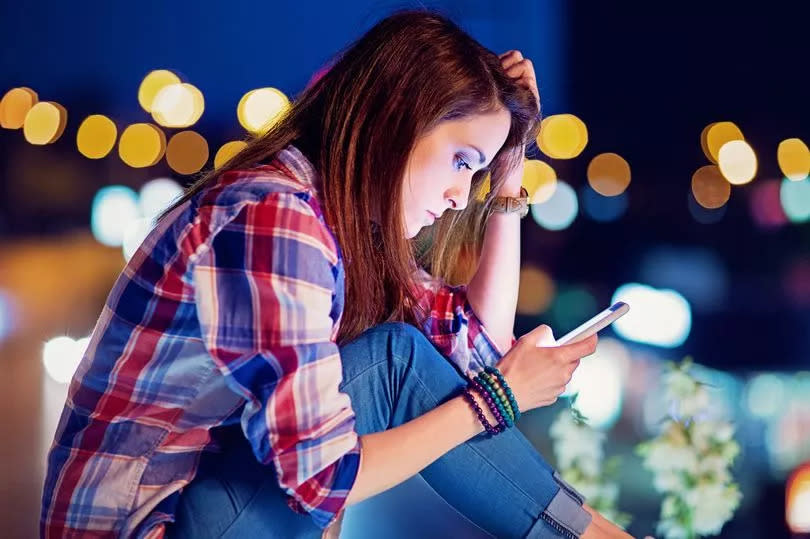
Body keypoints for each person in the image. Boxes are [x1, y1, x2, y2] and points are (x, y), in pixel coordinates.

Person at [41, 10, 633, 538]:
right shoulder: (274, 220)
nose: (460, 196)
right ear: (397, 118)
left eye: (474, 174)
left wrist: (508, 174)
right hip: (152, 526)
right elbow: (322, 479)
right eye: (461, 162)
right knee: (394, 362)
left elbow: (475, 350)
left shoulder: (333, 223)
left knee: (402, 361)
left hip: (204, 511)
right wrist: (498, 398)